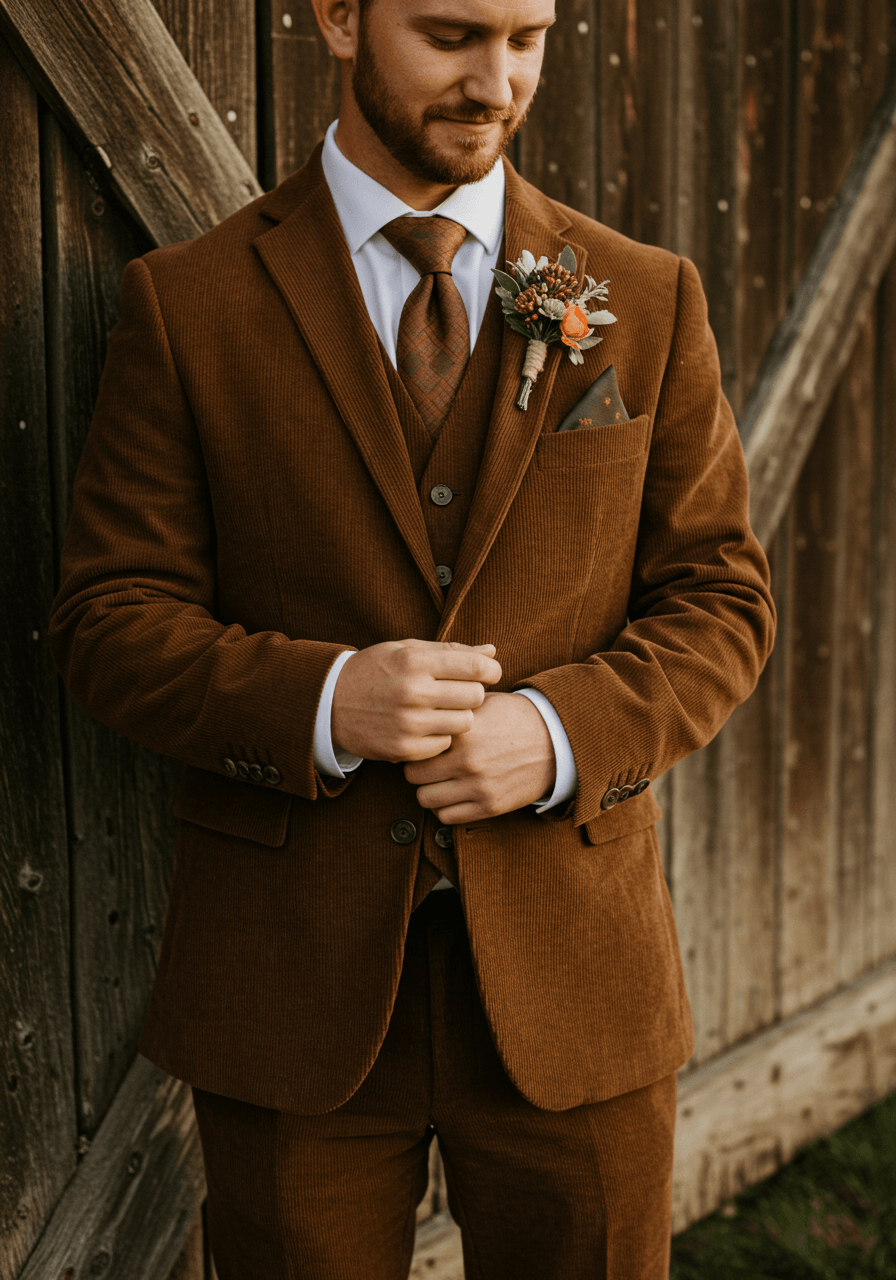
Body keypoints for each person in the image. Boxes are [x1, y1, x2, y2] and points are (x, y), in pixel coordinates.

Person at [49, 0, 775, 1275]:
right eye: (449, 34)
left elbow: (721, 599)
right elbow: (109, 622)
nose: (495, 81)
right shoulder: (190, 302)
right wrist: (327, 699)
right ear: (338, 17)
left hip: (576, 971)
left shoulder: (643, 296)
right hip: (292, 980)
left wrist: (552, 733)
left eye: (527, 38)